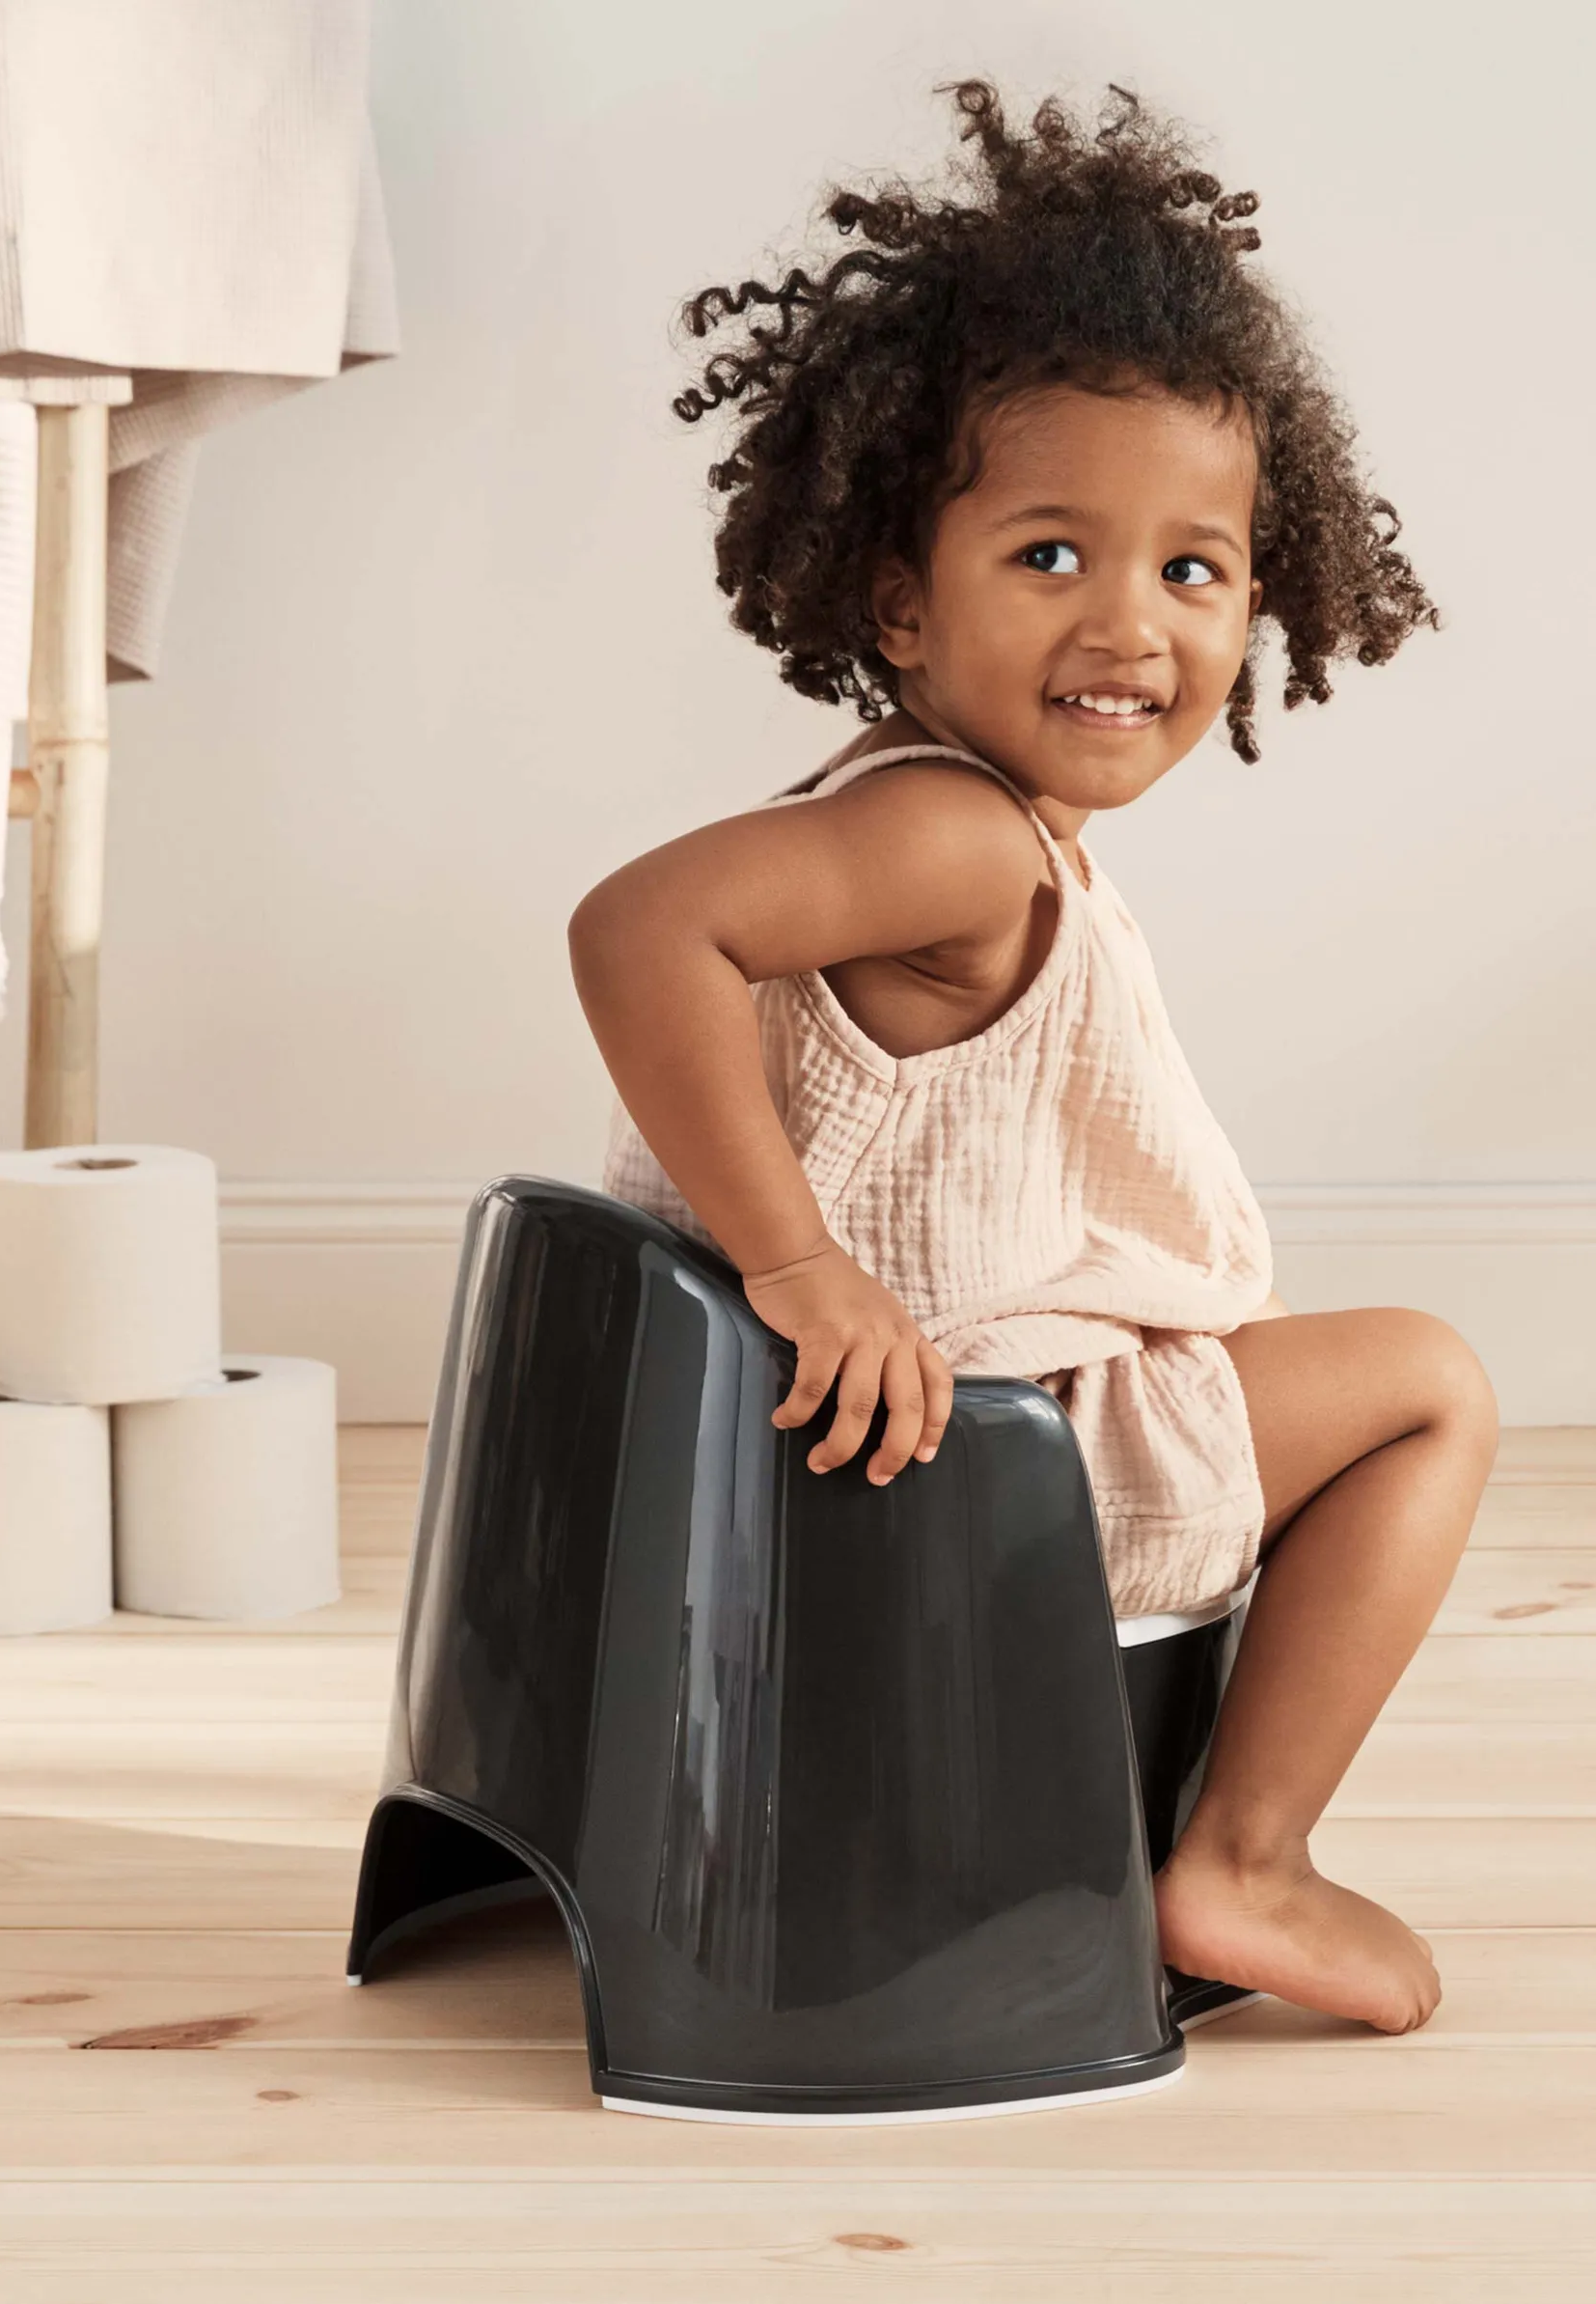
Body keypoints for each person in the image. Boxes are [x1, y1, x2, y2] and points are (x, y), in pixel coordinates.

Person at [567, 80, 1499, 2037]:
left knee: (1319, 1357)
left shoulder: (946, 822)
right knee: (1427, 1387)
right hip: (962, 1457)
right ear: (901, 598)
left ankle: (1219, 1829)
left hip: (884, 1433)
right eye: (1053, 552)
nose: (1130, 622)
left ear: (1263, 599)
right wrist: (804, 1264)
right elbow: (637, 927)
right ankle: (1244, 1854)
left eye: (1191, 569)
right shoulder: (957, 838)